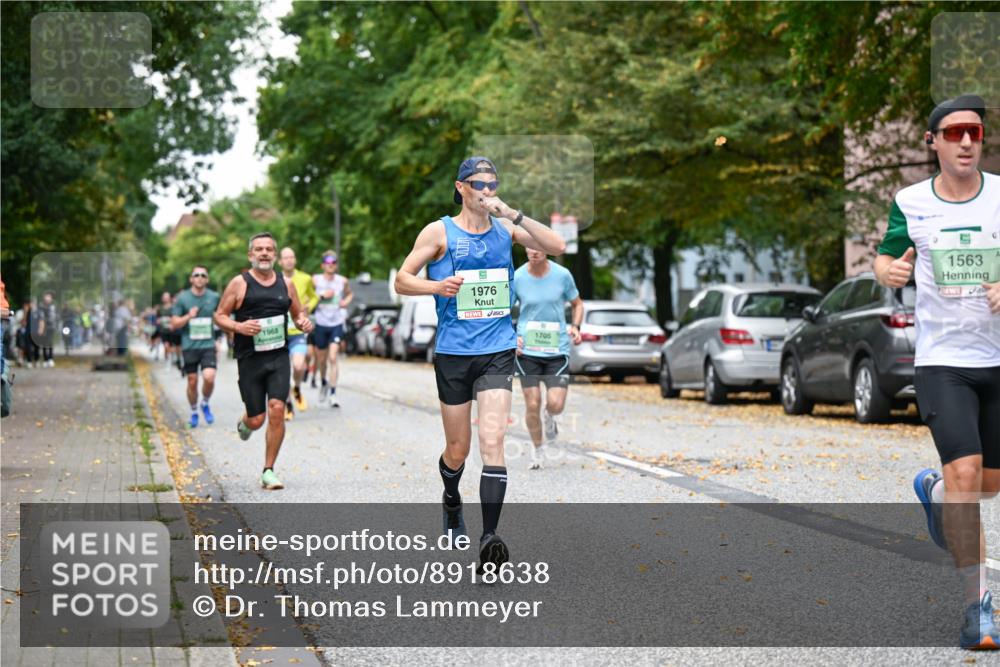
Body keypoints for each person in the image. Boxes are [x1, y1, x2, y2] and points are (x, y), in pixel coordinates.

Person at [394, 156, 565, 572]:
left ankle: (490, 538)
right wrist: (437, 286)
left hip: (497, 349)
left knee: (492, 441)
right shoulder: (439, 231)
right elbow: (401, 279)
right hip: (454, 352)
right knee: (458, 450)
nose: (488, 191)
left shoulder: (505, 228)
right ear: (461, 187)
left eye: (493, 184)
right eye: (479, 184)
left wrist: (513, 213)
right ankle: (451, 500)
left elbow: (558, 246)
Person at [874, 94, 1000, 650]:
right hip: (943, 363)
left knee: (987, 486)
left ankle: (934, 491)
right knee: (967, 477)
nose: (967, 141)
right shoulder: (910, 201)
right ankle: (978, 611)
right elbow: (883, 258)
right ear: (933, 143)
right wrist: (891, 269)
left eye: (974, 131)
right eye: (954, 133)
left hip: (998, 358)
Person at [214, 232, 314, 490]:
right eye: (259, 249)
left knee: (278, 410)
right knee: (257, 419)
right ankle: (246, 422)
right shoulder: (239, 283)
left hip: (278, 356)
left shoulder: (286, 284)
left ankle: (268, 470)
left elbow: (298, 313)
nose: (264, 253)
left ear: (275, 255)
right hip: (250, 359)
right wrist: (238, 326)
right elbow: (220, 316)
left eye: (269, 249)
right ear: (251, 255)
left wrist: (303, 322)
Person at [512, 248, 584, 469]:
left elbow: (578, 304)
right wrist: (512, 337)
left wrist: (576, 326)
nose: (534, 251)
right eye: (529, 246)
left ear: (547, 248)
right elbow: (504, 310)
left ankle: (550, 416)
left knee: (556, 403)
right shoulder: (517, 276)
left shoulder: (562, 275)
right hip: (527, 351)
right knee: (532, 402)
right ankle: (538, 450)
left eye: (539, 246)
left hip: (556, 349)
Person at [171, 266, 221, 428]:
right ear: (191, 279)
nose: (199, 277)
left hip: (208, 344)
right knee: (192, 381)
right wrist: (188, 316)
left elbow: (222, 318)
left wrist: (219, 339)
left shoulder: (214, 297)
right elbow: (174, 323)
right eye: (196, 275)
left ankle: (205, 403)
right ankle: (193, 411)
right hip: (189, 346)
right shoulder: (182, 298)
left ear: (207, 279)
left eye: (203, 275)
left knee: (209, 377)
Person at [280, 247, 319, 420]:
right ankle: (288, 404)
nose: (289, 260)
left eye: (291, 257)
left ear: (295, 260)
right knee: (283, 372)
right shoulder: (274, 280)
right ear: (280, 261)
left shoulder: (305, 278)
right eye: (285, 257)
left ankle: (296, 387)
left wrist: (308, 307)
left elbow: (314, 296)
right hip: (280, 333)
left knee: (298, 366)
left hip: (297, 331)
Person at [311, 251, 353, 407]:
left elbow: (349, 294)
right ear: (323, 265)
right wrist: (321, 296)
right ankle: (323, 382)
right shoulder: (315, 280)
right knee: (321, 360)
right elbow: (307, 298)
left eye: (334, 263)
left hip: (336, 323)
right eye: (328, 263)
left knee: (333, 357)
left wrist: (345, 302)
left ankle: (333, 394)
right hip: (321, 324)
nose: (331, 265)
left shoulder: (342, 281)